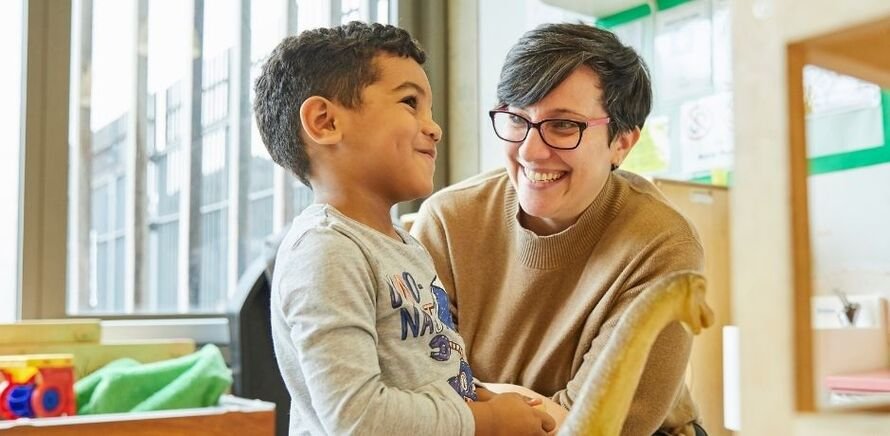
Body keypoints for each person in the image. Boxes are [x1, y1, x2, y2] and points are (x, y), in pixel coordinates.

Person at [253, 21, 556, 435]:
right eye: (410, 103)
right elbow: (356, 418)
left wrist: (489, 399)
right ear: (325, 121)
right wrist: (487, 421)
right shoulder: (326, 249)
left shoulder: (404, 246)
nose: (435, 128)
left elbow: (436, 370)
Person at [411, 23, 707, 436]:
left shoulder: (661, 243)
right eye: (517, 119)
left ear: (622, 141)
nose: (531, 151)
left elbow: (591, 427)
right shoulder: (447, 220)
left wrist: (477, 402)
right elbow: (415, 391)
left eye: (564, 126)